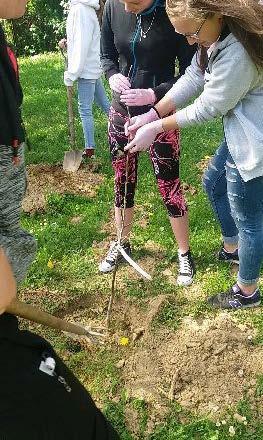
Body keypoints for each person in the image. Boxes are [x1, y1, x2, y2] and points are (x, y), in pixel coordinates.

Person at [0, 2, 119, 438]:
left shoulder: (81, 11)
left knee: (94, 108)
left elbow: (87, 44)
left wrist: (71, 68)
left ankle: (97, 144)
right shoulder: (81, 10)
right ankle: (104, 140)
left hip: (82, 70)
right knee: (101, 106)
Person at [124, 0, 263, 309]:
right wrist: (153, 113)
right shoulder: (217, 35)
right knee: (213, 183)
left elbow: (208, 107)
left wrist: (157, 127)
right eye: (183, 35)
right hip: (242, 130)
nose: (189, 41)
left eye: (192, 34)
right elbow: (193, 75)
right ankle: (233, 247)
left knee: (250, 218)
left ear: (214, 14)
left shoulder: (238, 52)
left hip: (255, 138)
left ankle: (247, 290)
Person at [99, 0, 196, 286]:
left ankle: (184, 252)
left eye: (136, 2)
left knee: (169, 182)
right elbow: (106, 55)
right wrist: (112, 74)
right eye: (124, 2)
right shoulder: (114, 7)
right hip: (121, 113)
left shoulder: (174, 12)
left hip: (161, 113)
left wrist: (154, 94)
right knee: (122, 179)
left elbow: (191, 71)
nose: (128, 8)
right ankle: (121, 242)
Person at [61, 0, 110, 159]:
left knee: (85, 109)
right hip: (90, 66)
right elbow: (81, 40)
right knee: (106, 105)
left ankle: (90, 150)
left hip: (86, 69)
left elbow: (82, 46)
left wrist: (72, 73)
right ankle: (127, 129)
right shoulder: (83, 9)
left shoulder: (81, 10)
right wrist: (69, 43)